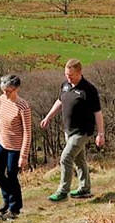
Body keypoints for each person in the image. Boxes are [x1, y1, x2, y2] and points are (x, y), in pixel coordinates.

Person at [40, 59, 104, 202]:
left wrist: (100, 134)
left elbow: (98, 112)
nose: (68, 78)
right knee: (79, 160)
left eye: (71, 75)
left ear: (80, 72)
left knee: (66, 158)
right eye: (66, 74)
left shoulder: (89, 89)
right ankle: (85, 189)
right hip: (68, 130)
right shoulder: (65, 86)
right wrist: (48, 117)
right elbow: (60, 101)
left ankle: (63, 191)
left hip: (82, 131)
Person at [0, 74, 32, 220]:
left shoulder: (23, 106)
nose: (5, 93)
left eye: (8, 91)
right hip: (2, 142)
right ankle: (6, 199)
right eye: (3, 90)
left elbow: (28, 132)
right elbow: (1, 121)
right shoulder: (2, 99)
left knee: (12, 176)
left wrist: (24, 155)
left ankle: (14, 208)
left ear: (16, 89)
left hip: (16, 147)